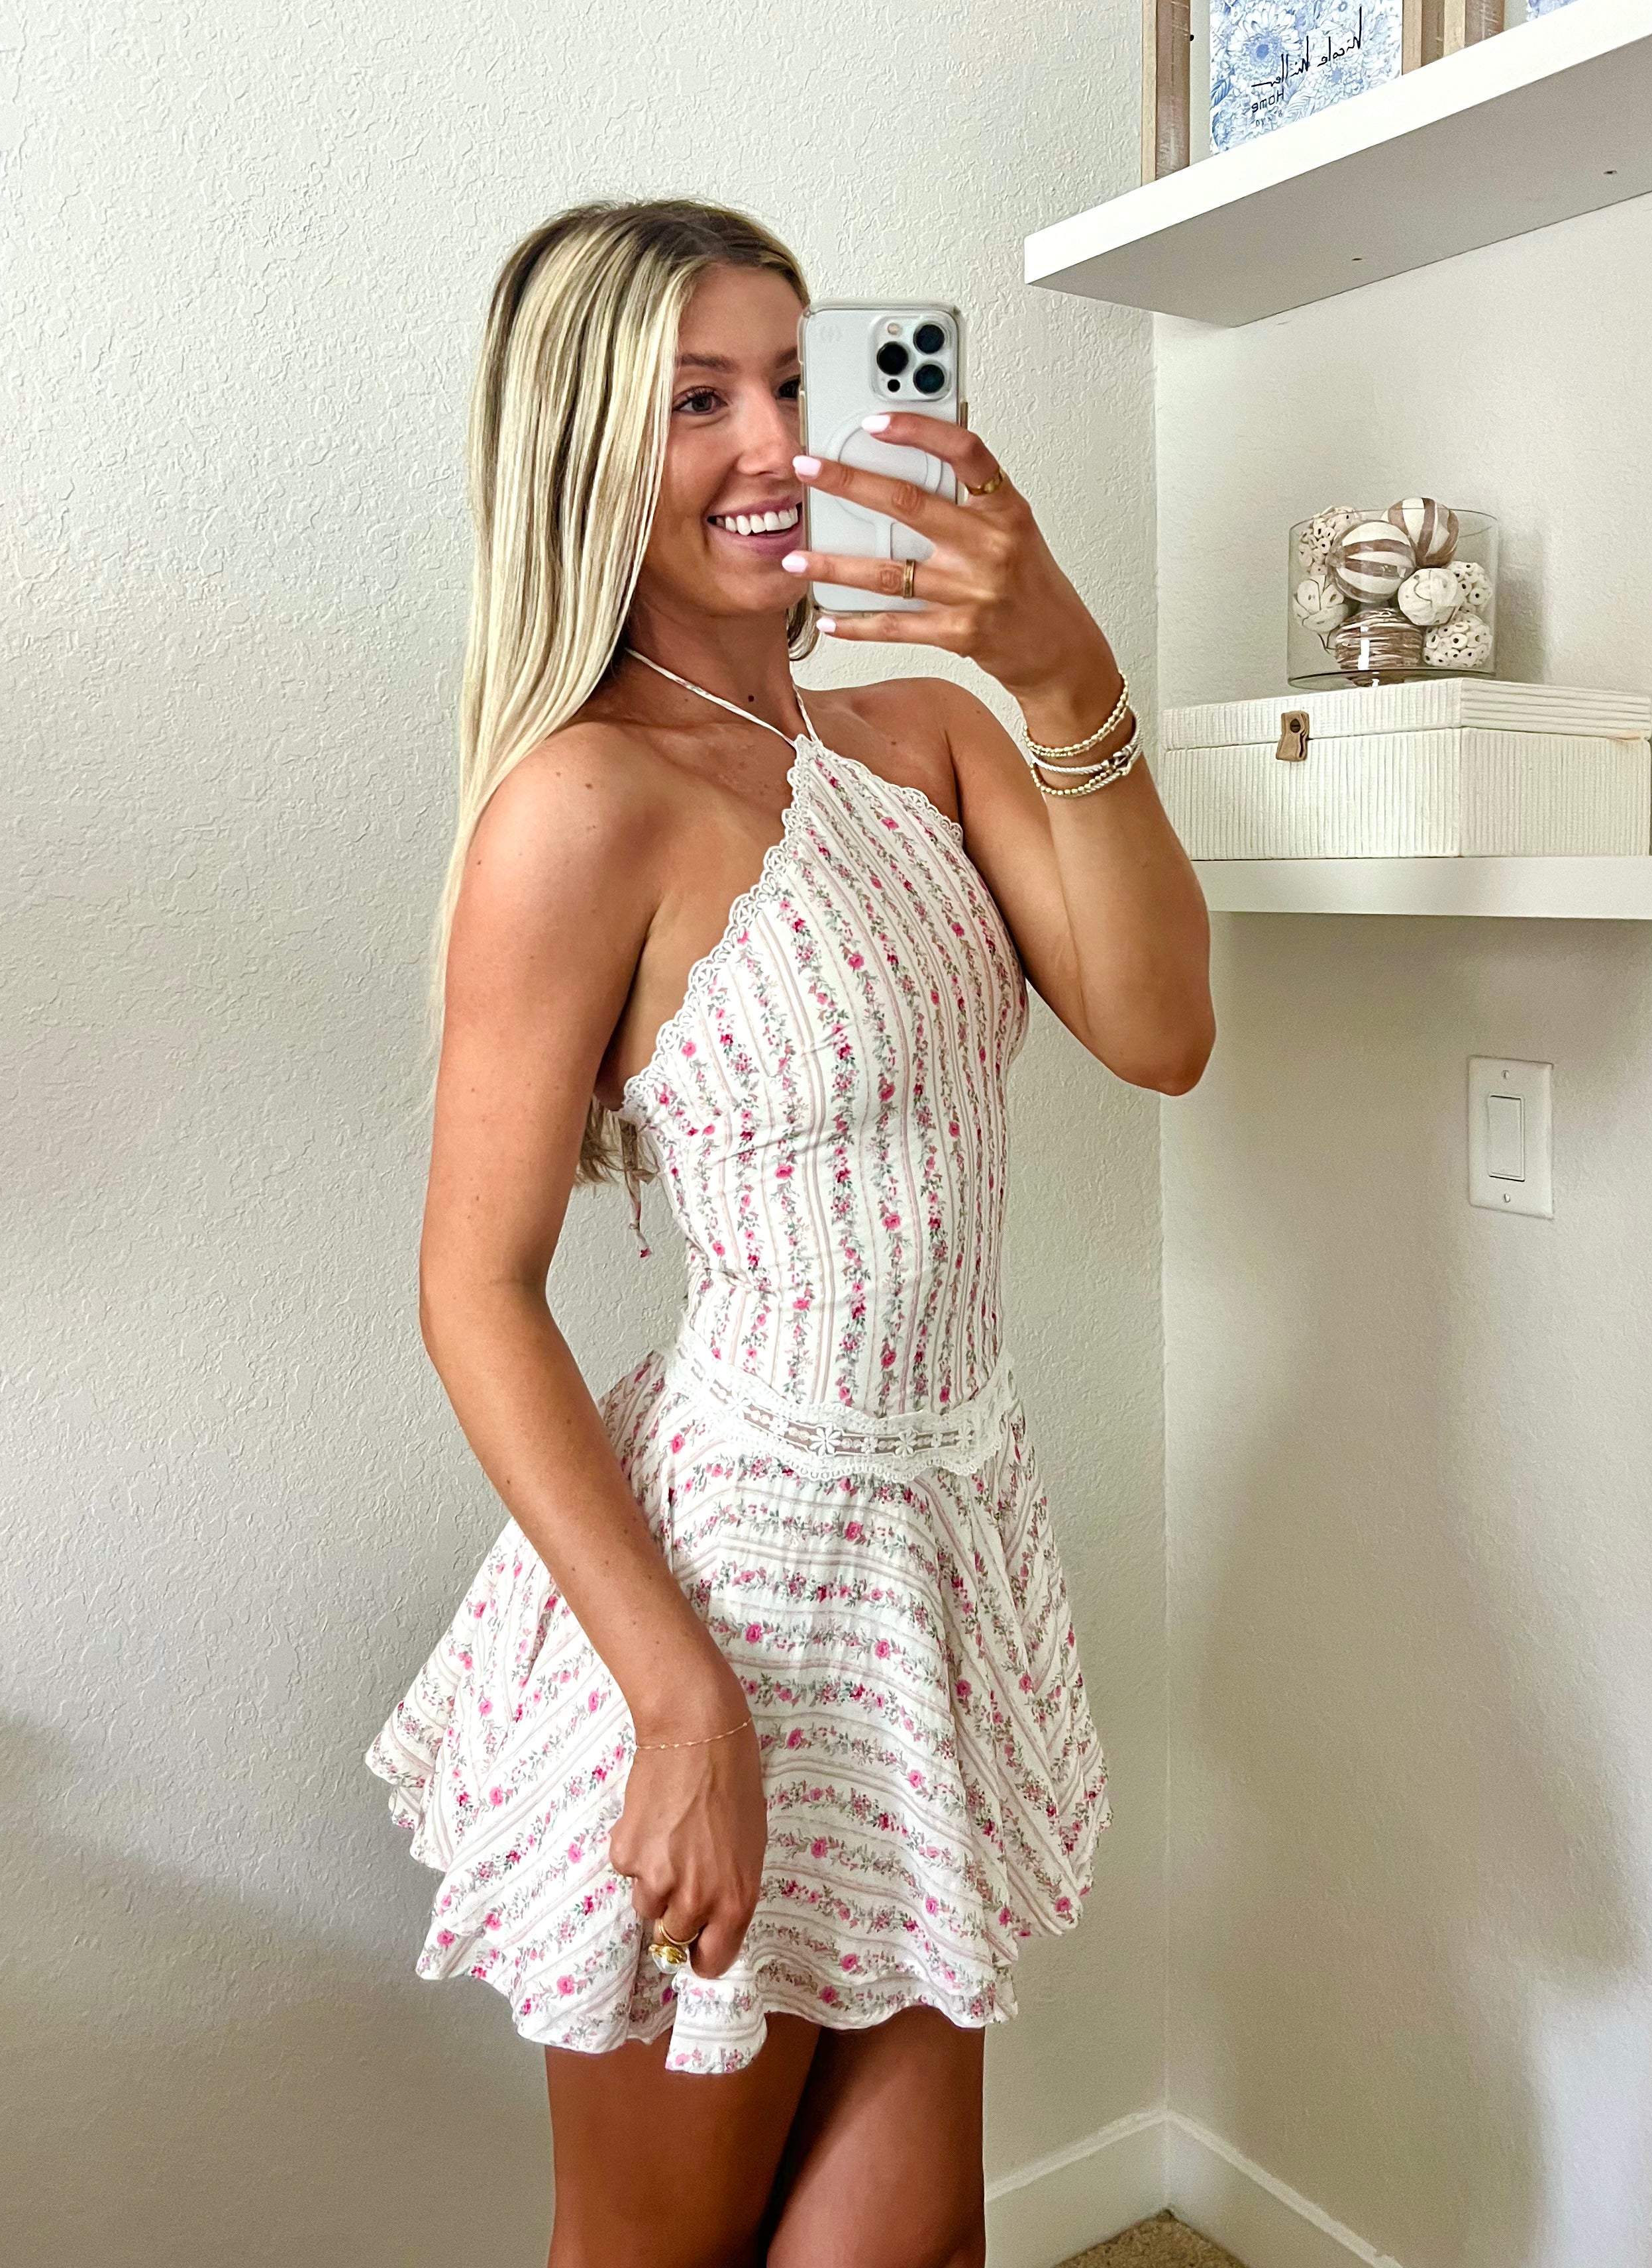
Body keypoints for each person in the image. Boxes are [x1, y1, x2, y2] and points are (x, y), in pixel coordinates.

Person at [365, 199, 1213, 2268]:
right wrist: (677, 1702)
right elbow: (472, 1289)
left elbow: (1164, 1030)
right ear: (587, 455)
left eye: (793, 382)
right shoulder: (579, 810)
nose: (769, 443)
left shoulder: (922, 739)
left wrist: (1059, 658)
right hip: (724, 1588)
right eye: (696, 404)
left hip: (934, 1561)